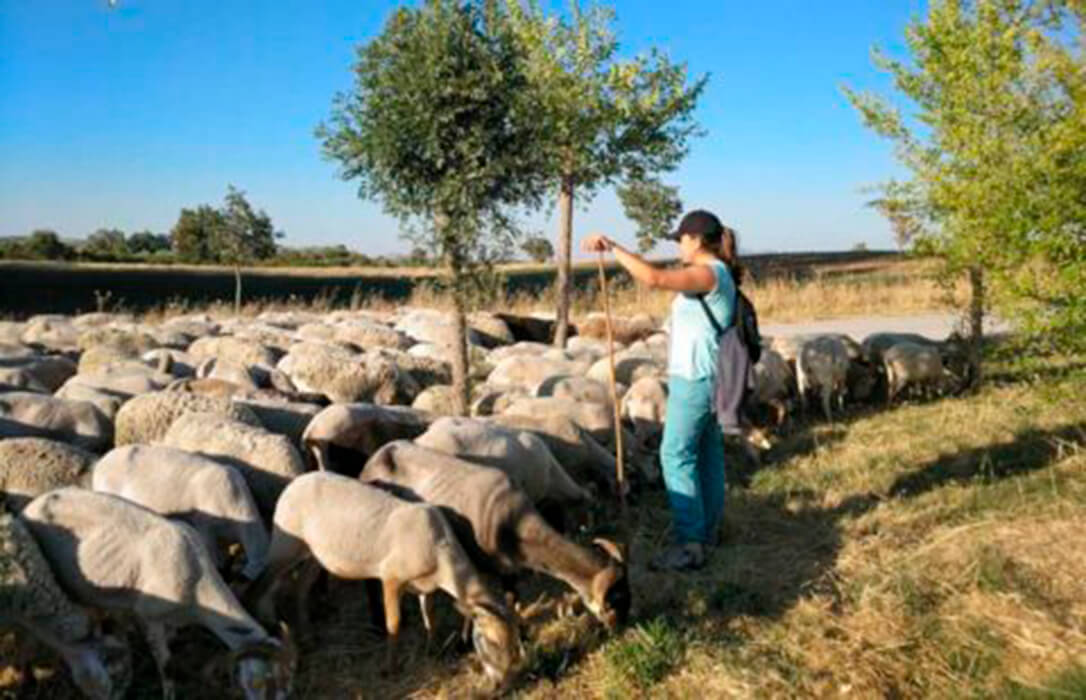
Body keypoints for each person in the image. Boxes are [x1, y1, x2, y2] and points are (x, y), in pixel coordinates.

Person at [581, 210, 740, 571]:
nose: (679, 245)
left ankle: (690, 544)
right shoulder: (718, 274)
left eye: (681, 238)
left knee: (674, 456)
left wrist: (613, 246)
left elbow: (653, 278)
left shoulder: (708, 273)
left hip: (695, 379)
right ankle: (708, 531)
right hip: (709, 376)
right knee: (706, 453)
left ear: (697, 240)